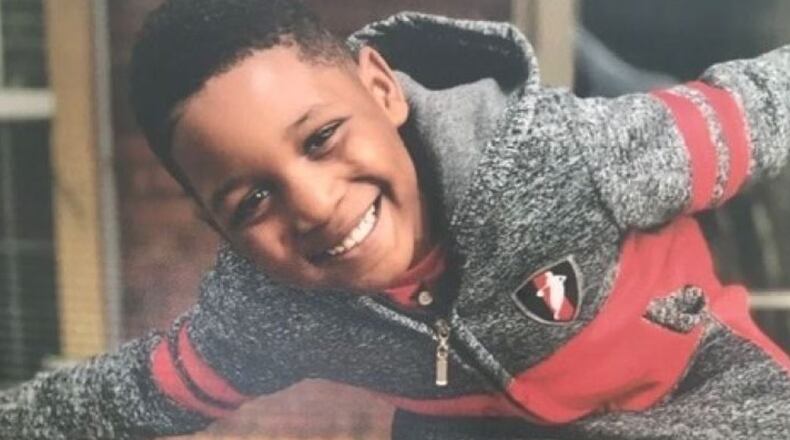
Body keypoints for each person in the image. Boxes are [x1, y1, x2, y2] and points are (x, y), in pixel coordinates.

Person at [2, 0, 789, 438]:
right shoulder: (270, 308)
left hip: (701, 392)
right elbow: (135, 391)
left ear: (381, 89)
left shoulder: (573, 157)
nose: (316, 206)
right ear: (218, 229)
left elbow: (755, 106)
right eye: (252, 203)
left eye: (321, 138)